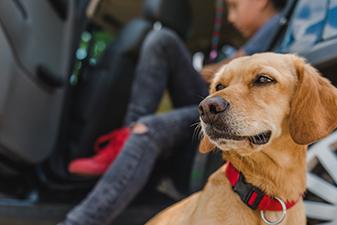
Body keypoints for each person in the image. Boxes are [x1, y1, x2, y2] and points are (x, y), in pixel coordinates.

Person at [60, 0, 287, 224]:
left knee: (150, 127)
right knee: (162, 40)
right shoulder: (265, 36)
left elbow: (232, 71)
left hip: (234, 113)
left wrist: (206, 72)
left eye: (234, 6)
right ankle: (126, 137)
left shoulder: (278, 24)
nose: (230, 17)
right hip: (217, 105)